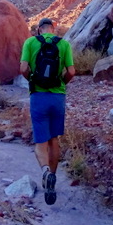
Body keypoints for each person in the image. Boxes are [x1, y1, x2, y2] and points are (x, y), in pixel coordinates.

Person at [19, 17, 75, 205]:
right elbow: (72, 71)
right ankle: (53, 177)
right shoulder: (64, 44)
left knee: (41, 140)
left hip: (38, 97)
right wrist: (61, 83)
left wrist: (32, 81)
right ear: (54, 28)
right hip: (57, 97)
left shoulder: (30, 42)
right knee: (54, 139)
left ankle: (44, 172)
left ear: (38, 30)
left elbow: (23, 68)